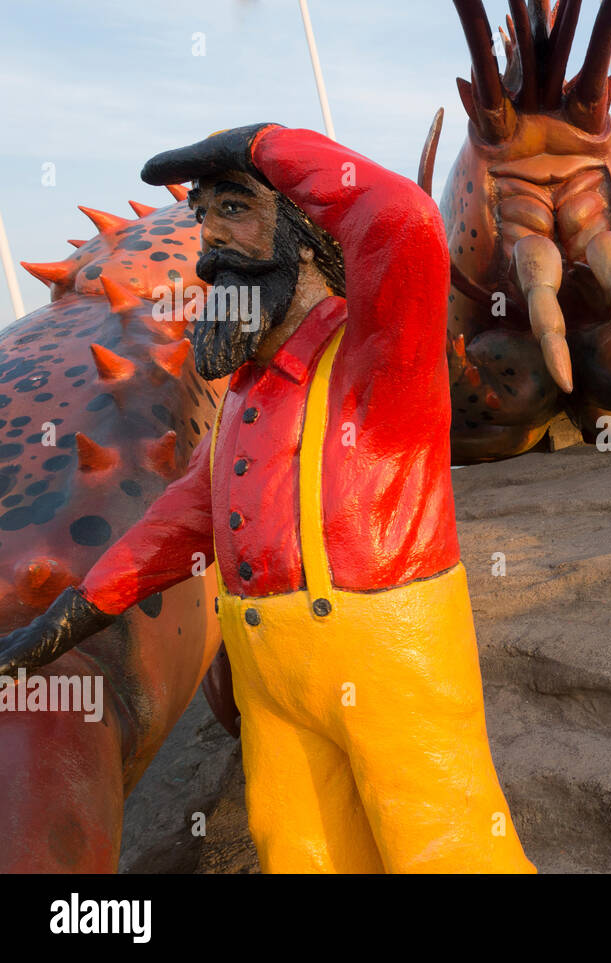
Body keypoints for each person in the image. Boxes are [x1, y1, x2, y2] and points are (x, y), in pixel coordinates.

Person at [0, 124, 534, 874]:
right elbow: (177, 525)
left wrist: (264, 146)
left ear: (310, 242)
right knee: (300, 852)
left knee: (442, 846)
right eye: (204, 220)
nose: (211, 243)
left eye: (236, 211)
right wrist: (68, 620)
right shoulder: (244, 400)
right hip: (272, 681)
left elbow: (404, 219)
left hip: (391, 664)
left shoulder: (380, 356)